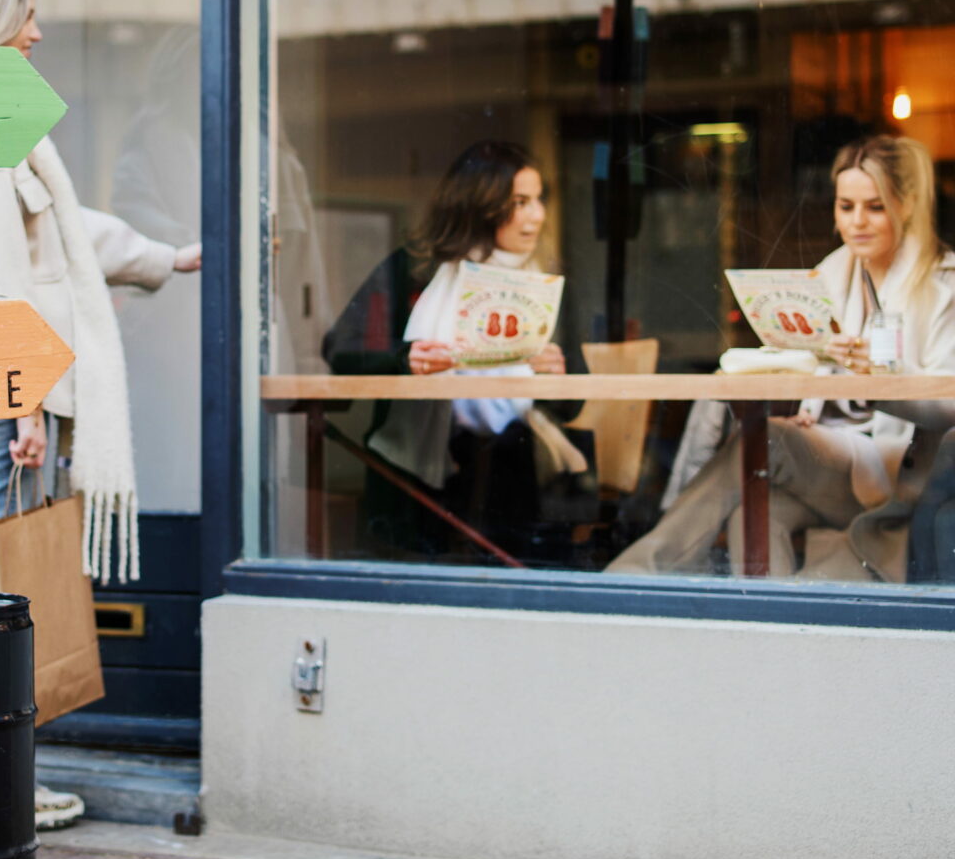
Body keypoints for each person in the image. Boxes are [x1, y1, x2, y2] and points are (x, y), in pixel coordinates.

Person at [0, 0, 201, 829]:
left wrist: (162, 257)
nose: (38, 33)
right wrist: (23, 404)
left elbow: (61, 235)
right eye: (27, 18)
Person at [608, 134, 955, 580]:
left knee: (764, 439)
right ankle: (760, 629)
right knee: (755, 509)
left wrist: (877, 379)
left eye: (875, 206)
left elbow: (949, 405)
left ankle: (637, 575)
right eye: (845, 207)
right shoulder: (830, 273)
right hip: (835, 460)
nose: (857, 222)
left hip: (895, 468)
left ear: (906, 206)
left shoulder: (944, 285)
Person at [323, 140, 580, 560]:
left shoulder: (547, 281)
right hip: (414, 485)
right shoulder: (415, 268)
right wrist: (405, 358)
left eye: (537, 200)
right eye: (519, 202)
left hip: (513, 483)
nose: (536, 215)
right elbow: (340, 349)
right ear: (480, 205)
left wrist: (557, 376)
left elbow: (574, 401)